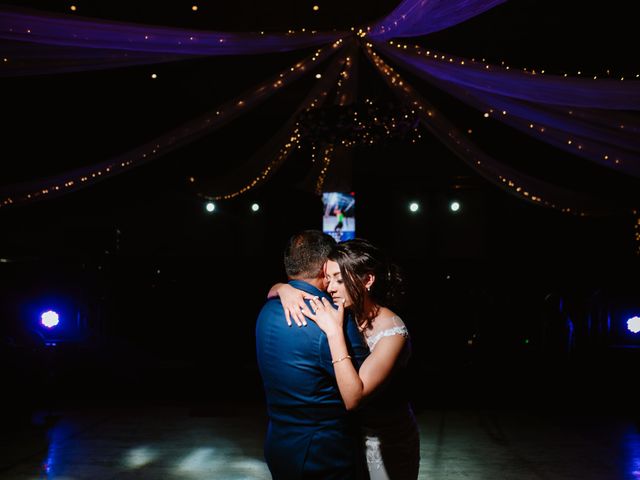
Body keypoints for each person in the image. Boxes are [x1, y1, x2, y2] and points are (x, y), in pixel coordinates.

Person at [274, 238, 420, 479]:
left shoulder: (393, 332)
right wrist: (284, 289)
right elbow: (274, 289)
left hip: (384, 442)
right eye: (328, 278)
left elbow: (353, 398)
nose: (330, 288)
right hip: (348, 438)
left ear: (368, 280)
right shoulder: (347, 310)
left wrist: (334, 333)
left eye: (339, 280)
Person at [255, 230, 370, 479]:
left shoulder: (267, 310)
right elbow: (364, 384)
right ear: (324, 269)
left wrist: (281, 287)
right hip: (324, 456)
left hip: (279, 445)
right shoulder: (330, 319)